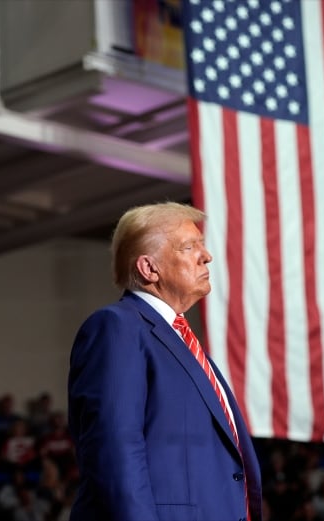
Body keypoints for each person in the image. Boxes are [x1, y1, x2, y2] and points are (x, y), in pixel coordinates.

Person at [67, 202, 262, 521]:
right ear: (149, 268)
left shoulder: (184, 343)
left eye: (202, 245)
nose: (206, 255)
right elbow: (115, 452)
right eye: (190, 246)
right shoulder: (117, 327)